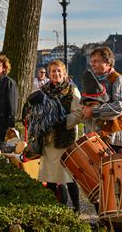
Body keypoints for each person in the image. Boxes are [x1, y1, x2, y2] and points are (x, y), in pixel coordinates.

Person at [37, 60, 81, 212]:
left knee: (68, 176)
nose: (56, 74)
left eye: (58, 71)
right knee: (49, 176)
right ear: (49, 74)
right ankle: (52, 210)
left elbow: (78, 114)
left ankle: (76, 208)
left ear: (64, 73)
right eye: (53, 71)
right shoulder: (43, 91)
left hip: (65, 138)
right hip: (48, 139)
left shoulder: (72, 90)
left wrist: (62, 121)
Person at [81, 46, 122, 152]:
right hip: (98, 139)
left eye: (96, 61)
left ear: (108, 63)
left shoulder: (119, 80)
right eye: (91, 61)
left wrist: (94, 111)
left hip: (116, 141)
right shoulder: (94, 82)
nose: (92, 64)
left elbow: (120, 107)